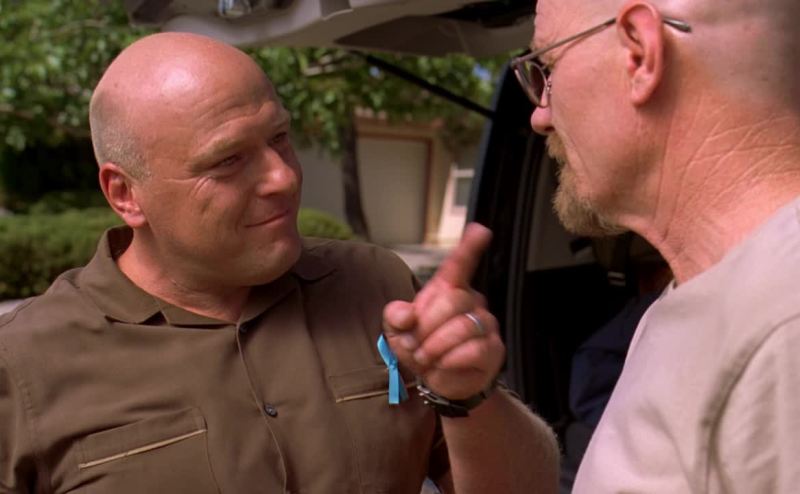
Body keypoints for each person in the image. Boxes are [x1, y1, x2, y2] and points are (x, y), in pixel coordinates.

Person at [0, 33, 559, 493]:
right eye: (228, 160)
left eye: (280, 137)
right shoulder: (23, 364)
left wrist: (470, 396)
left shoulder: (378, 286)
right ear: (125, 194)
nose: (284, 177)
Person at [511, 0, 800, 491]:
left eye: (548, 68)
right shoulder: (708, 292)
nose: (541, 114)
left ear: (640, 53)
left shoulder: (782, 330)